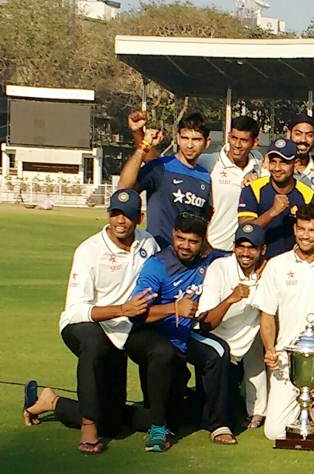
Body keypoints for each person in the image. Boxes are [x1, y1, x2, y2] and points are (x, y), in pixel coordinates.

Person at [23, 189, 159, 454]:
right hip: (83, 325)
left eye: (128, 215)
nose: (120, 220)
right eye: (115, 213)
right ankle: (88, 425)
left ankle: (53, 402)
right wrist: (123, 308)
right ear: (107, 215)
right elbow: (77, 309)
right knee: (94, 345)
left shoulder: (148, 244)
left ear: (139, 218)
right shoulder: (89, 251)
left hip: (121, 329)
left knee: (113, 422)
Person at [127, 213, 233, 452]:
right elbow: (136, 313)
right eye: (180, 238)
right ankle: (157, 427)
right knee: (163, 353)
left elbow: (239, 257)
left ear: (203, 242)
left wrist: (263, 262)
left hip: (183, 335)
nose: (185, 245)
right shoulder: (157, 266)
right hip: (148, 335)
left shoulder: (209, 259)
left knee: (217, 351)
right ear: (173, 235)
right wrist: (174, 308)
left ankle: (217, 423)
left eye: (192, 241)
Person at [253, 204, 314, 441]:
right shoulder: (277, 265)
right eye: (302, 229)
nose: (306, 235)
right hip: (287, 361)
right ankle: (302, 411)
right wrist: (269, 349)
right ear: (295, 229)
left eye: (313, 230)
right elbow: (267, 314)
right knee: (275, 431)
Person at [198, 223, 268, 429]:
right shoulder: (219, 267)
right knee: (216, 408)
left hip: (250, 333)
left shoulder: (269, 269)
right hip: (217, 336)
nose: (245, 253)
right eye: (241, 246)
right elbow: (205, 323)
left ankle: (257, 410)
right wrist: (231, 298)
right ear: (234, 246)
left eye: (252, 248)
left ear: (262, 250)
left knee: (257, 340)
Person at [118, 112, 212, 249]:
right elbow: (124, 189)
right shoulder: (161, 167)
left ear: (207, 142)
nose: (190, 145)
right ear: (178, 139)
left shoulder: (205, 177)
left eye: (196, 139)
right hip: (158, 252)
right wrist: (143, 145)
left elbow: (202, 222)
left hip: (187, 259)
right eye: (185, 138)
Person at [238, 138, 314, 259]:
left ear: (295, 163)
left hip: (293, 266)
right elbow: (245, 230)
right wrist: (272, 212)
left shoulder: (308, 195)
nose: (277, 168)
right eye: (273, 162)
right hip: (258, 264)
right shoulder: (252, 189)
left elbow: (313, 236)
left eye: (284, 162)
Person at [198, 115, 265, 251]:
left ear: (255, 142)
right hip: (212, 248)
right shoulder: (207, 162)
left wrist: (257, 176)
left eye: (244, 140)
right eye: (234, 138)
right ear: (228, 136)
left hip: (244, 252)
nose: (237, 145)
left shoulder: (258, 161)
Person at [286, 113, 314, 190]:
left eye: (309, 135)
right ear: (288, 134)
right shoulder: (275, 167)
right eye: (298, 134)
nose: (303, 140)